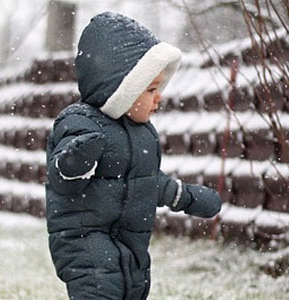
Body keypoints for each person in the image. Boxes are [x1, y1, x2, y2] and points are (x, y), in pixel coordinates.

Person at [45, 12, 222, 300]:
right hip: (84, 240)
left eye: (160, 88)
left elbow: (147, 181)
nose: (159, 97)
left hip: (131, 241)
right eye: (151, 89)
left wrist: (185, 196)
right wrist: (76, 161)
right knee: (102, 290)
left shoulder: (143, 134)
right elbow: (63, 178)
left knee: (133, 288)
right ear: (121, 90)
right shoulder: (79, 122)